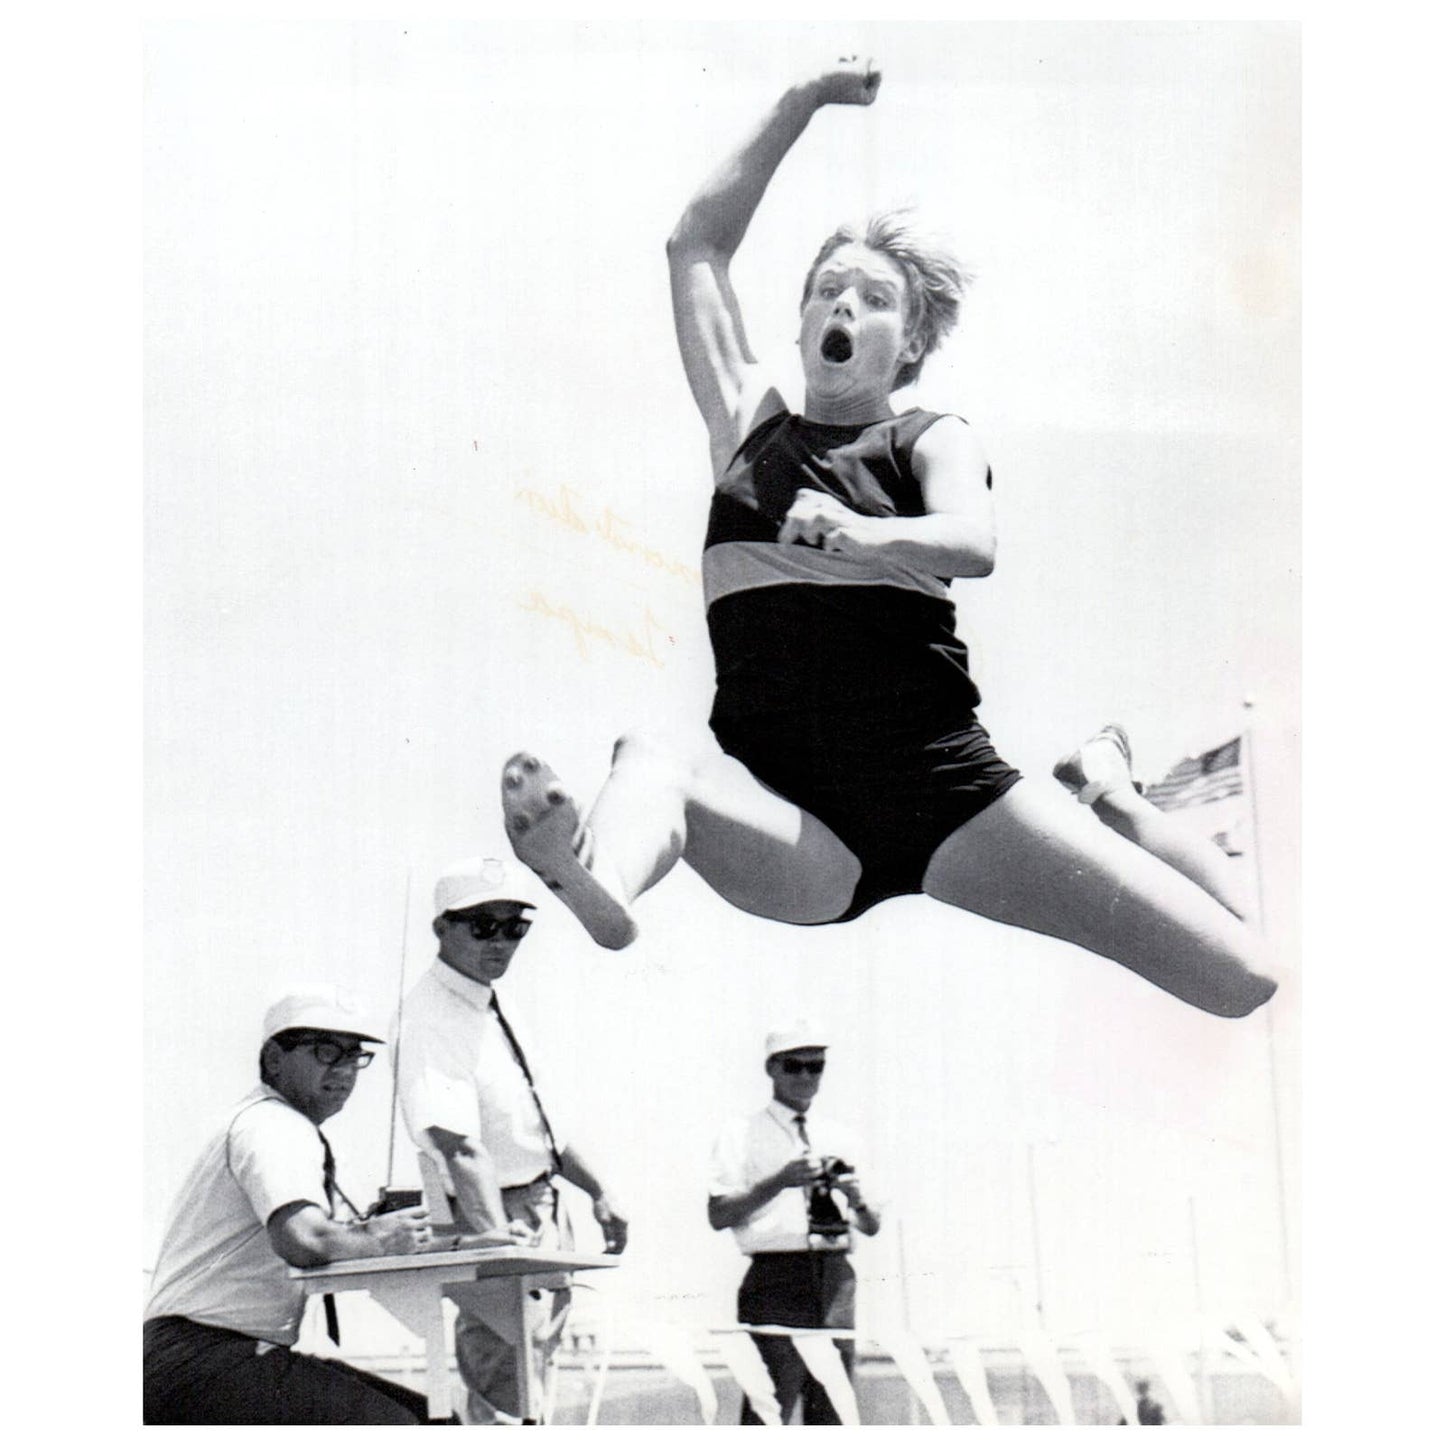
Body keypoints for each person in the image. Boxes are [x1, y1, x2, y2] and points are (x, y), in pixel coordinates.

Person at [499, 58, 1275, 1021]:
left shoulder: (927, 436)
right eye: (827, 290)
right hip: (796, 827)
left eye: (870, 299)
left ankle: (1113, 795)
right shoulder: (748, 425)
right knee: (648, 759)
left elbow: (971, 541)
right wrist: (800, 102)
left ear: (907, 343)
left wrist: (865, 537)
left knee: (1244, 981)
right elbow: (694, 243)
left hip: (948, 795)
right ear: (799, 319)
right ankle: (599, 879)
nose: (841, 308)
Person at [396, 856, 629, 1425]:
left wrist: (600, 1191)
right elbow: (458, 1145)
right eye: (482, 925)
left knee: (538, 1379)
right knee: (503, 1386)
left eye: (514, 927)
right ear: (442, 928)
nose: (500, 941)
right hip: (493, 1216)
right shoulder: (430, 1015)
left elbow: (540, 1127)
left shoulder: (495, 1000)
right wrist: (498, 1252)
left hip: (543, 1205)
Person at [143, 988, 441, 1425]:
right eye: (325, 1052)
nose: (343, 1070)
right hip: (202, 1357)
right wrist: (380, 1236)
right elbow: (303, 1239)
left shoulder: (267, 1122)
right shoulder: (274, 1125)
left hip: (194, 1356)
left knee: (435, 1420)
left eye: (354, 1056)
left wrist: (366, 1235)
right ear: (274, 1059)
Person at [708, 1021, 881, 1425]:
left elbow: (872, 1224)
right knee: (769, 1410)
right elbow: (718, 1214)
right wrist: (780, 1181)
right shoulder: (740, 1133)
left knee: (834, 1412)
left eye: (815, 1066)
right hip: (776, 1277)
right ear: (771, 1068)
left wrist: (855, 1198)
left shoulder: (842, 1136)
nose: (805, 1076)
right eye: (793, 1066)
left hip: (836, 1278)